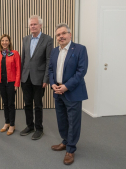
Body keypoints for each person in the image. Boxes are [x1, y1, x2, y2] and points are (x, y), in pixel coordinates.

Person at [48, 23, 88, 165]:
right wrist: (53, 84)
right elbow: (51, 69)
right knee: (61, 119)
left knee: (73, 121)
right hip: (57, 91)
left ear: (70, 34)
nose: (61, 36)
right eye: (58, 34)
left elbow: (81, 72)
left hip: (73, 92)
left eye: (63, 33)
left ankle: (71, 150)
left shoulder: (79, 49)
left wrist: (66, 87)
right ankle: (65, 142)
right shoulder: (54, 51)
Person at [20, 15, 53, 140]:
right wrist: (21, 77)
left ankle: (39, 129)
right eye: (30, 25)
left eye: (34, 24)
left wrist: (46, 79)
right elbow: (23, 59)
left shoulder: (48, 39)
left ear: (40, 25)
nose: (32, 26)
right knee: (27, 103)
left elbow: (49, 60)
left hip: (39, 78)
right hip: (26, 77)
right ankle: (30, 126)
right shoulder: (25, 39)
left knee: (38, 104)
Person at [0, 34, 21, 136]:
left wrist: (17, 83)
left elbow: (18, 69)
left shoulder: (14, 53)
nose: (4, 42)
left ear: (9, 42)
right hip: (1, 82)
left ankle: (12, 125)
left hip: (11, 82)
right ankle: (7, 122)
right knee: (5, 103)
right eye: (2, 41)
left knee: (11, 104)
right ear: (0, 43)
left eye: (6, 40)